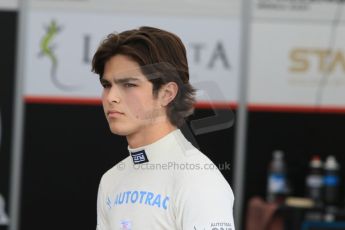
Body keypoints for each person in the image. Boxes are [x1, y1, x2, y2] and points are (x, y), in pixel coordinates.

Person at [92, 26, 235, 230]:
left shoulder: (198, 179)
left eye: (129, 85)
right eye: (107, 85)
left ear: (167, 93)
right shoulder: (111, 180)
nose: (111, 97)